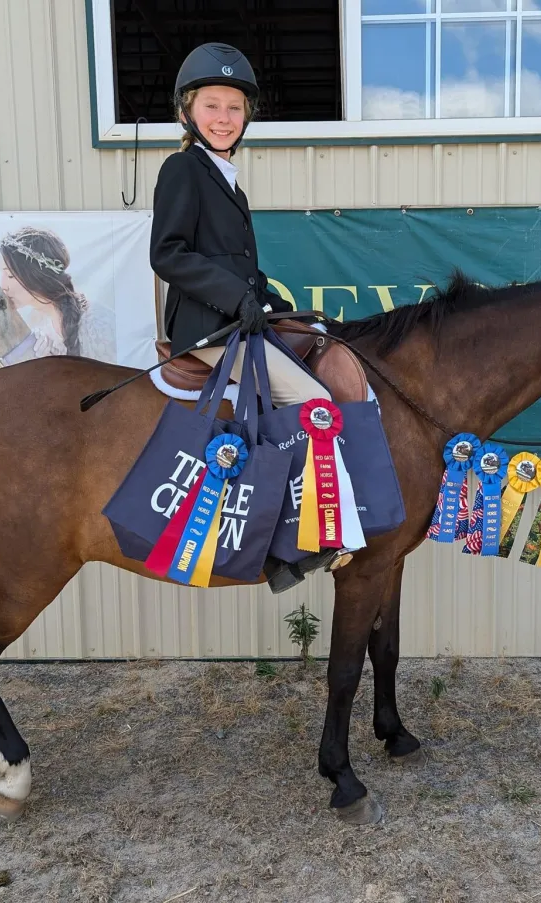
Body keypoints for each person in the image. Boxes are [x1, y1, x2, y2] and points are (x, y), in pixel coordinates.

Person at [149, 41, 349, 594]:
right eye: (212, 105)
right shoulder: (183, 169)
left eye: (234, 108)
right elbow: (168, 253)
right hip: (209, 329)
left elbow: (237, 265)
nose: (224, 118)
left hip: (238, 319)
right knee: (315, 404)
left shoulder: (226, 176)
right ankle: (289, 544)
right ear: (188, 111)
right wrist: (236, 300)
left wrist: (278, 308)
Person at [0, 227, 88, 358]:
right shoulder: (32, 325)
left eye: (10, 275)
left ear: (36, 275)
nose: (2, 286)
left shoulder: (94, 324)